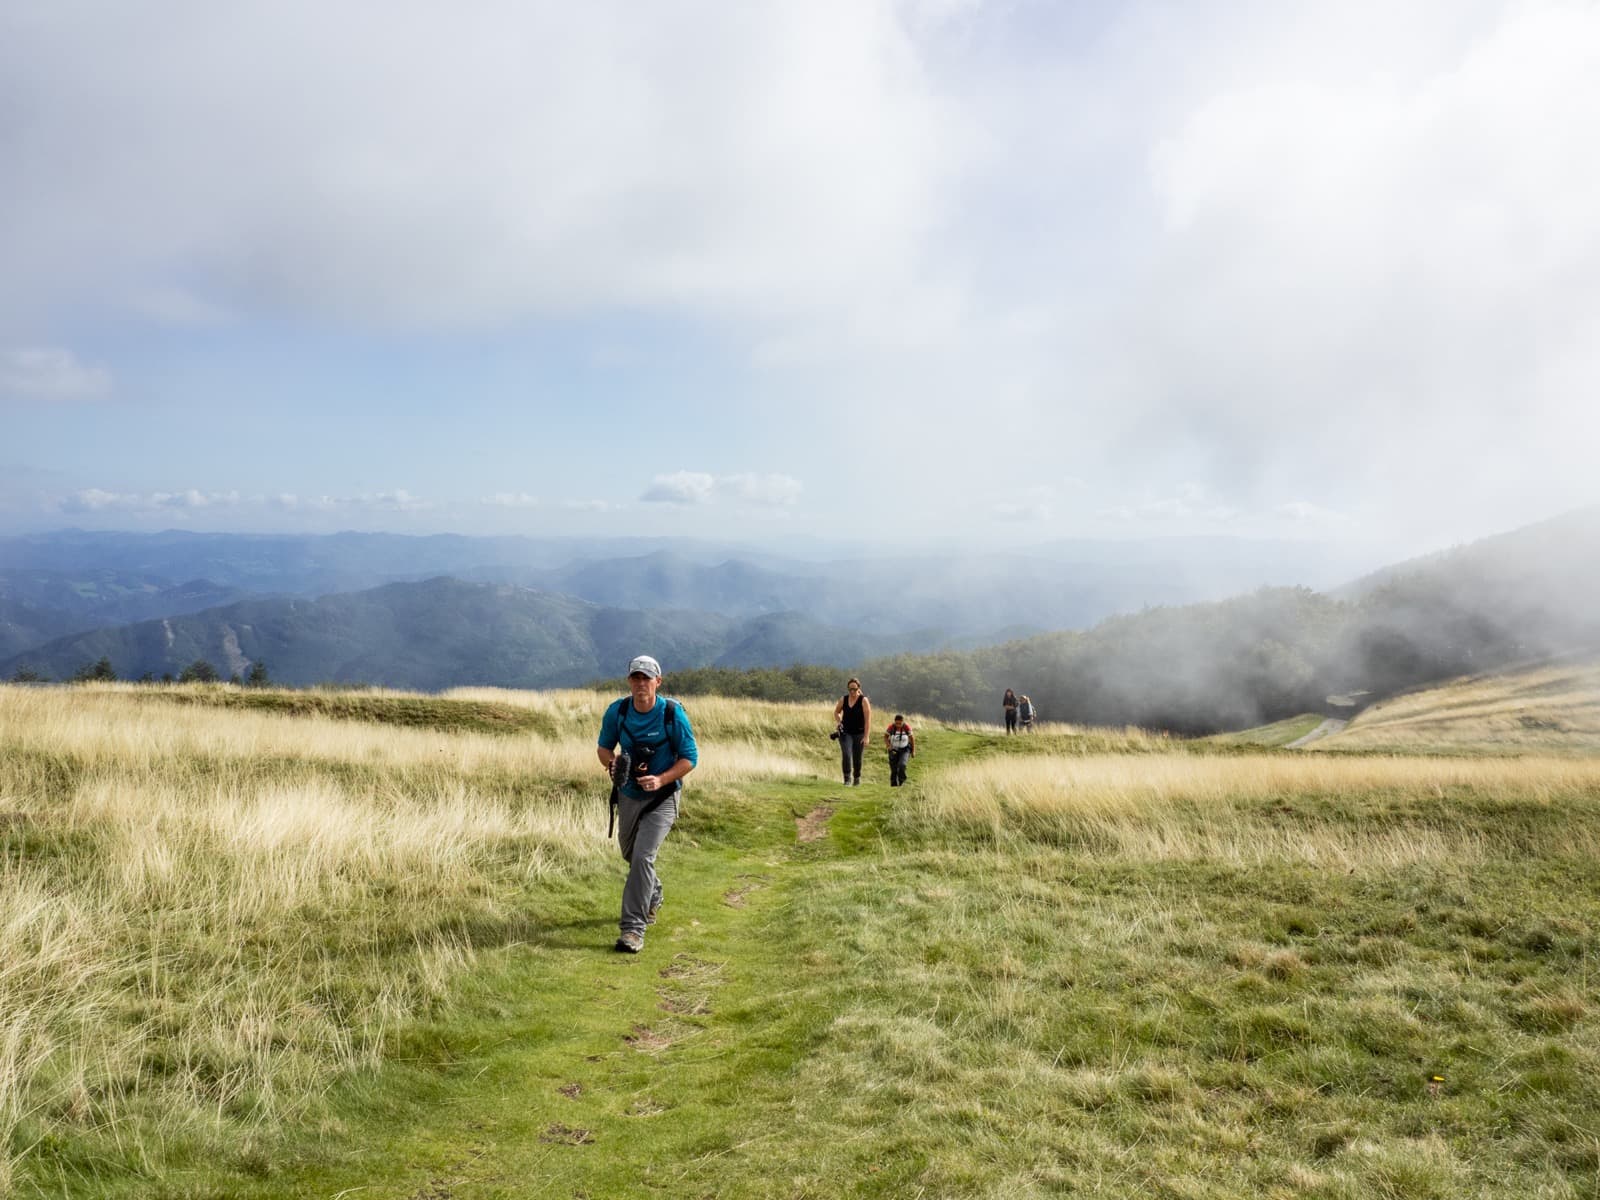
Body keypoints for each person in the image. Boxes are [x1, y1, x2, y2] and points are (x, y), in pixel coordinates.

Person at [596, 654, 698, 954]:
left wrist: (661, 779)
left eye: (646, 678)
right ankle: (653, 893)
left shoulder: (671, 713)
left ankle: (633, 930)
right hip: (628, 794)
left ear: (658, 681)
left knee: (642, 858)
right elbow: (604, 748)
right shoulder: (618, 711)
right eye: (635, 678)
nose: (641, 683)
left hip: (663, 797)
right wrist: (612, 763)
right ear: (629, 681)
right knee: (630, 853)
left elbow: (690, 758)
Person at [833, 677, 871, 786]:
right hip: (845, 732)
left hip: (859, 733)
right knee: (846, 753)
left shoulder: (864, 700)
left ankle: (857, 778)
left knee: (857, 757)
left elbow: (868, 720)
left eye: (854, 689)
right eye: (850, 689)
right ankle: (847, 779)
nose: (852, 691)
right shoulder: (843, 699)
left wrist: (866, 736)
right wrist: (839, 721)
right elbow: (836, 712)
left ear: (859, 688)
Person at [884, 713, 915, 787]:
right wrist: (888, 746)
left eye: (900, 723)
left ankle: (902, 782)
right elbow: (885, 737)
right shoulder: (891, 727)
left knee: (902, 765)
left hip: (905, 749)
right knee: (893, 768)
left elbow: (912, 739)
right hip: (893, 750)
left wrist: (913, 751)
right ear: (894, 721)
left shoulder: (907, 727)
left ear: (903, 722)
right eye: (896, 723)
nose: (898, 725)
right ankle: (893, 785)